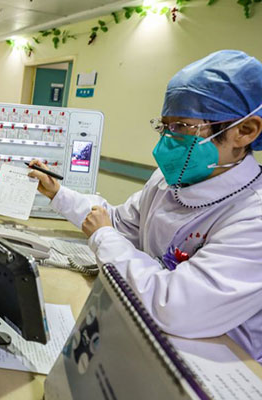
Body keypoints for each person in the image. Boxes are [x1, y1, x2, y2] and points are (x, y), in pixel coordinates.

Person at [29, 50, 262, 362]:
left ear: (245, 131)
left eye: (181, 126)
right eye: (164, 126)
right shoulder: (167, 182)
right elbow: (116, 222)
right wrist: (58, 193)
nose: (166, 141)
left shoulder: (253, 217)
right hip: (147, 332)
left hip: (220, 363)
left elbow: (174, 306)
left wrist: (104, 237)